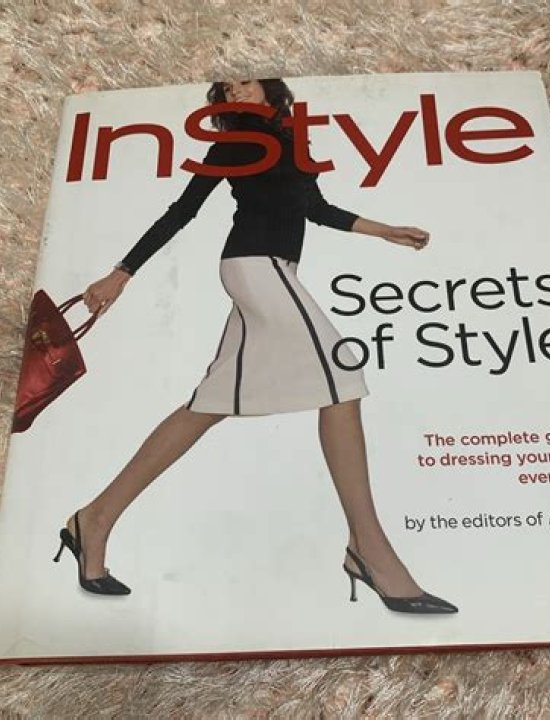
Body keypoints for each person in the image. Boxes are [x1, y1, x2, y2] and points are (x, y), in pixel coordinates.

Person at [53, 79, 458, 614]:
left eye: (244, 80)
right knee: (341, 378)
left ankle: (94, 519)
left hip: (276, 270)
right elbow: (183, 210)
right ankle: (370, 548)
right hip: (254, 267)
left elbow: (315, 208)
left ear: (270, 88)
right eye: (227, 87)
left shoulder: (291, 140)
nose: (235, 88)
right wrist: (121, 272)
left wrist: (384, 231)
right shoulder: (236, 142)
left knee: (207, 405)